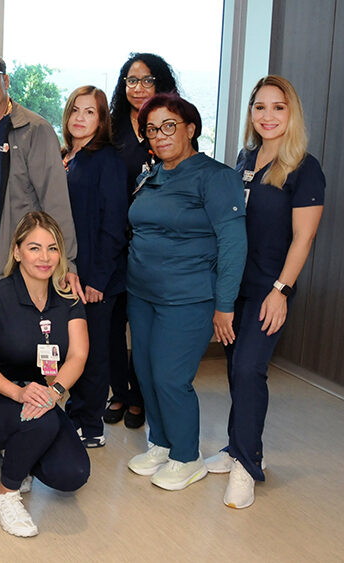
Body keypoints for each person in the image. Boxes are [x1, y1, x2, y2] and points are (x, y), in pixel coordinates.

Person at [205, 76, 325, 509]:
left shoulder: (304, 167)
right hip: (236, 284)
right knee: (236, 367)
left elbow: (303, 238)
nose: (268, 116)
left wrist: (281, 290)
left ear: (291, 113)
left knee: (250, 368)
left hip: (269, 288)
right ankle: (236, 446)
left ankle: (248, 464)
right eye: (260, 107)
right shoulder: (245, 159)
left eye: (278, 107)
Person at [126, 93, 246, 491]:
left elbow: (233, 243)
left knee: (170, 377)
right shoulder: (150, 176)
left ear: (190, 128)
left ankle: (187, 456)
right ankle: (161, 442)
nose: (159, 136)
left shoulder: (215, 176)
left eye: (168, 126)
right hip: (141, 292)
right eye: (151, 130)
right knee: (145, 370)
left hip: (188, 295)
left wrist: (224, 304)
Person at [0, 211, 89, 537]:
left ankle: (19, 451)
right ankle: (5, 494)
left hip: (42, 398)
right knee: (42, 420)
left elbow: (78, 354)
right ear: (16, 252)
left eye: (52, 248)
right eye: (34, 248)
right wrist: (18, 393)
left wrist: (54, 393)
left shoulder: (68, 298)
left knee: (72, 473)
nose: (45, 257)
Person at [0, 49, 81, 302]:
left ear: (6, 80)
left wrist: (67, 264)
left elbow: (55, 203)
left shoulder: (34, 130)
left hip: (12, 268)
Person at [104, 53, 178, 429]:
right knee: (115, 325)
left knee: (146, 324)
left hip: (154, 245)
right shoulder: (112, 131)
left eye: (147, 80)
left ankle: (142, 394)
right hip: (115, 241)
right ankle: (121, 391)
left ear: (161, 84)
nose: (138, 88)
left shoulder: (168, 128)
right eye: (131, 81)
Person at [59, 86, 128, 448]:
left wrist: (98, 278)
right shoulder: (66, 156)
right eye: (75, 110)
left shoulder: (108, 160)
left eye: (90, 112)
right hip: (66, 274)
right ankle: (75, 413)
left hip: (97, 277)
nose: (80, 118)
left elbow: (115, 224)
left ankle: (91, 425)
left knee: (94, 351)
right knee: (72, 348)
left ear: (102, 120)